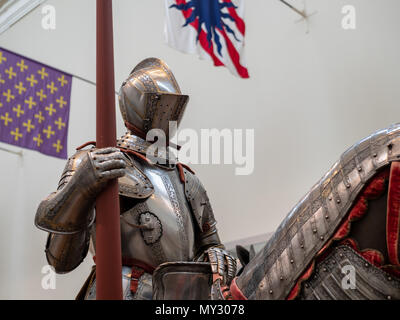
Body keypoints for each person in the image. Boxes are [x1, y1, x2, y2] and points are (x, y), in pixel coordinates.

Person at [35, 58, 236, 300]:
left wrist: (217, 255)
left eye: (174, 106)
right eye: (162, 105)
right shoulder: (98, 161)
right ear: (136, 104)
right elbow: (60, 260)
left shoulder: (187, 180)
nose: (168, 114)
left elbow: (210, 244)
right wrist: (80, 187)